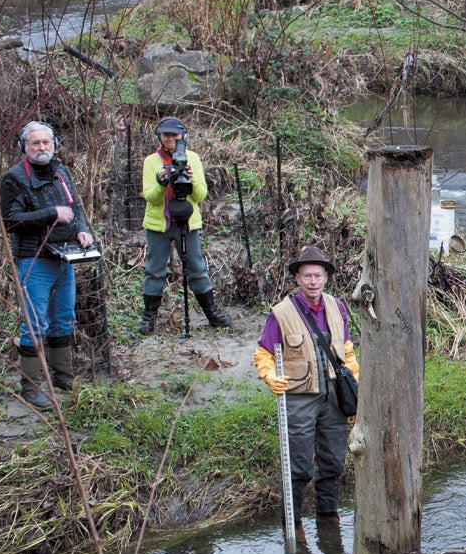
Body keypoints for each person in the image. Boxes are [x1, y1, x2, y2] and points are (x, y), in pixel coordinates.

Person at [252, 246, 360, 529]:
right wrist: (268, 375)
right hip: (299, 398)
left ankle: (328, 516)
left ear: (326, 278)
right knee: (299, 466)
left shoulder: (338, 307)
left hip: (335, 397)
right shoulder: (281, 313)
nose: (313, 281)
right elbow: (263, 352)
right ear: (297, 279)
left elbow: (347, 352)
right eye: (307, 276)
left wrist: (356, 389)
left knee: (334, 461)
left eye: (318, 275)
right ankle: (293, 522)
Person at [0, 121, 94, 409]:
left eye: (46, 143)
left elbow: (74, 207)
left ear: (54, 145)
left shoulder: (60, 171)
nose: (42, 148)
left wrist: (82, 229)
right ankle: (30, 387)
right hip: (34, 260)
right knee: (34, 324)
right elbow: (11, 220)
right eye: (35, 143)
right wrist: (51, 213)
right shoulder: (13, 179)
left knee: (64, 317)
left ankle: (63, 376)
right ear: (24, 147)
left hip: (65, 256)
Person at [140, 116, 231, 334]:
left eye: (174, 135)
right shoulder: (151, 161)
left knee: (196, 268)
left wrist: (191, 180)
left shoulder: (193, 159)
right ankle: (148, 317)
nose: (170, 139)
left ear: (182, 136)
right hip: (158, 224)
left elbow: (201, 195)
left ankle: (211, 313)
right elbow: (150, 197)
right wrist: (162, 182)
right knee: (154, 270)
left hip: (188, 222)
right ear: (159, 137)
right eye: (166, 135)